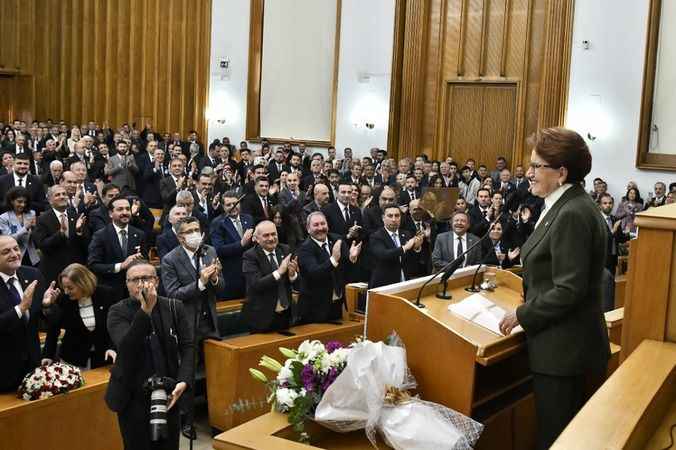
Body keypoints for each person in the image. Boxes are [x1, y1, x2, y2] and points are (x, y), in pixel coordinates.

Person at [499, 127, 610, 450]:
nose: (528, 173)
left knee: (558, 439)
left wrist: (522, 314)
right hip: (564, 346)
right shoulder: (562, 204)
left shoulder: (573, 213)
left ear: (561, 173)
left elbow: (568, 289)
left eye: (536, 167)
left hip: (564, 352)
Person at [105, 260, 193, 450]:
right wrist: (146, 310)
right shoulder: (117, 311)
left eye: (146, 278)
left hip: (169, 392)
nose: (141, 284)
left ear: (157, 281)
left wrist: (183, 381)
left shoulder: (174, 306)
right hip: (132, 395)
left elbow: (188, 347)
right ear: (126, 284)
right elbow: (127, 348)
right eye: (134, 280)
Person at [0, 236, 57, 392]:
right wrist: (21, 308)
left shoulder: (33, 275)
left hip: (33, 364)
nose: (14, 254)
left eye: (16, 248)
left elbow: (45, 319)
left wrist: (46, 306)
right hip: (4, 370)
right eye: (6, 252)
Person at [42, 263, 116, 369]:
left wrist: (112, 347)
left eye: (70, 288)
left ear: (83, 284)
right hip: (73, 360)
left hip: (104, 358)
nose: (66, 292)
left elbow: (115, 326)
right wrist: (48, 355)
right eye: (64, 288)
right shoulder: (64, 300)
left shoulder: (106, 294)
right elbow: (53, 328)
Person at [297, 212, 361, 323]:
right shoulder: (304, 249)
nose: (320, 228)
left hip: (337, 305)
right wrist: (333, 260)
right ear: (308, 229)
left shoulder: (337, 239)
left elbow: (347, 266)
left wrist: (352, 258)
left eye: (323, 223)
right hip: (314, 309)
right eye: (316, 225)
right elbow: (315, 273)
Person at [241, 220, 298, 332]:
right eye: (266, 235)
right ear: (256, 239)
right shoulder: (250, 256)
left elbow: (299, 282)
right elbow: (256, 284)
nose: (271, 238)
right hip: (262, 318)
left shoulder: (285, 249)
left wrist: (293, 275)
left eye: (273, 234)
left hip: (286, 315)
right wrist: (279, 272)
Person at [88, 196, 147, 300]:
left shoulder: (139, 234)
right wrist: (121, 266)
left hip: (136, 291)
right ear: (110, 213)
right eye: (120, 209)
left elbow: (145, 260)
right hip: (111, 292)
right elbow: (93, 265)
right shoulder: (100, 236)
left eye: (127, 209)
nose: (125, 212)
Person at [210, 191, 255, 299]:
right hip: (231, 274)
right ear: (223, 206)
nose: (233, 207)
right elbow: (219, 249)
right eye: (228, 204)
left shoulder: (248, 218)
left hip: (250, 272)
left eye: (235, 203)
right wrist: (241, 243)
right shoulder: (218, 223)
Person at [368, 205, 424, 289]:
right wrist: (404, 247)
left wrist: (416, 248)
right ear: (383, 218)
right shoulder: (376, 236)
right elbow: (384, 255)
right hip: (384, 284)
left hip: (405, 281)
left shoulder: (406, 234)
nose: (394, 219)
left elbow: (412, 260)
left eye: (397, 216)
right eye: (390, 216)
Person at [0, 187, 39, 266]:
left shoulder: (31, 213)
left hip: (32, 256)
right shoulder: (3, 218)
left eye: (25, 202)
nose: (23, 205)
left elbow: (36, 237)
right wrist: (25, 228)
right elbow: (9, 240)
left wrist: (35, 228)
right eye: (19, 202)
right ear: (11, 201)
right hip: (14, 256)